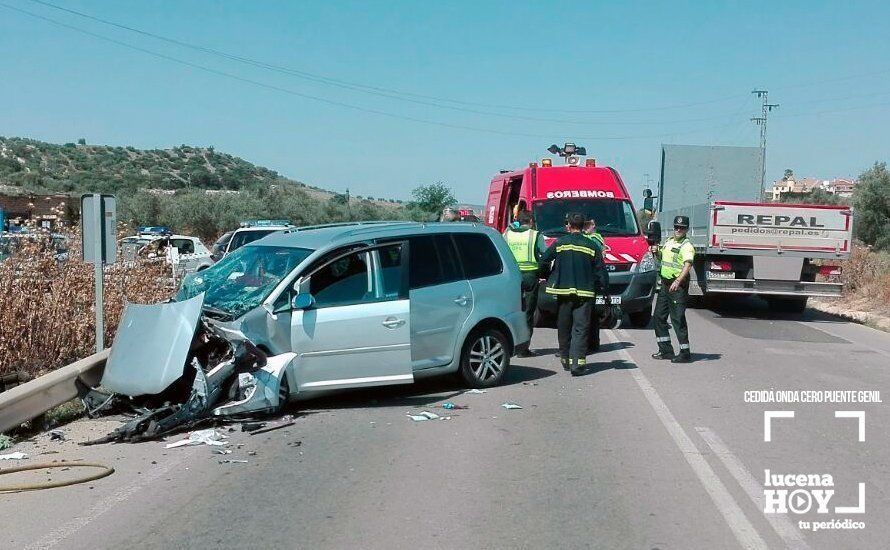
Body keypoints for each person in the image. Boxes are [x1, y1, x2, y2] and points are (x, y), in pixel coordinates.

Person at [539, 213, 608, 375]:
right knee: (581, 328)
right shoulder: (592, 246)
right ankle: (577, 364)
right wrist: (604, 290)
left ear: (568, 226)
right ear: (584, 226)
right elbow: (601, 272)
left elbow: (544, 260)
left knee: (564, 326)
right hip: (585, 294)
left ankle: (565, 360)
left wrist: (548, 276)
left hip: (563, 293)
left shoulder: (561, 243)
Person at [651, 215, 696, 363]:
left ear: (686, 230)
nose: (678, 230)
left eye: (681, 228)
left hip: (677, 286)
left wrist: (678, 280)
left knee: (677, 319)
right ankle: (665, 350)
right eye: (676, 227)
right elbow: (662, 258)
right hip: (665, 284)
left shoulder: (687, 246)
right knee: (658, 316)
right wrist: (656, 251)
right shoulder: (669, 242)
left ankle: (685, 352)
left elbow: (687, 265)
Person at [503, 210, 546, 357]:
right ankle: (523, 348)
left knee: (511, 311)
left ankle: (510, 345)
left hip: (510, 276)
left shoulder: (507, 234)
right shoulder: (535, 235)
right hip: (529, 276)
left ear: (519, 221)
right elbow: (545, 255)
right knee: (528, 312)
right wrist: (544, 273)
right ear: (531, 222)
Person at [582, 218, 607, 353]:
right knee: (590, 314)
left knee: (590, 314)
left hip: (591, 279)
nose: (586, 228)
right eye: (584, 225)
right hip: (590, 278)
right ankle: (592, 343)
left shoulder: (595, 239)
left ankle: (591, 344)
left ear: (593, 225)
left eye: (588, 225)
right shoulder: (588, 237)